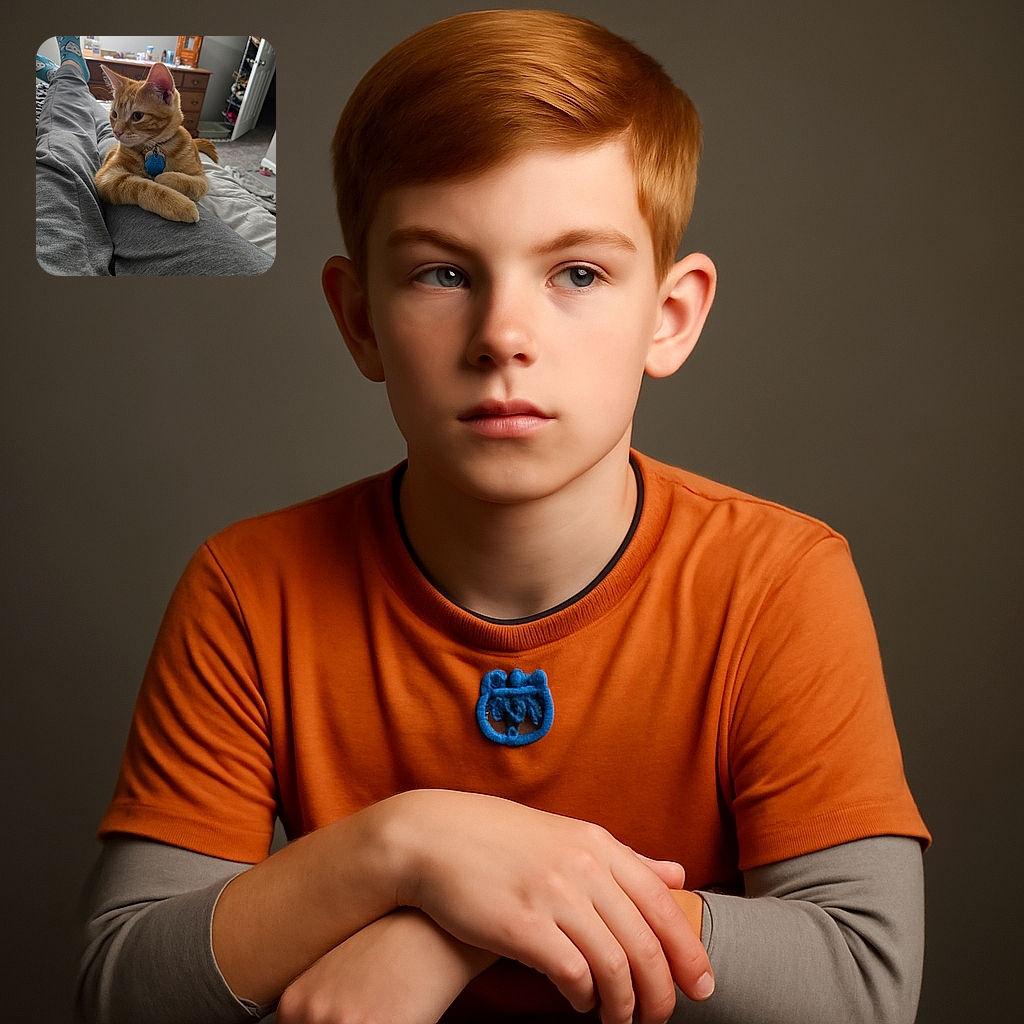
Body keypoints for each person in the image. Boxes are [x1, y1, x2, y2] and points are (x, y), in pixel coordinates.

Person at [77, 10, 929, 1024]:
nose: (503, 336)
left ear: (671, 315)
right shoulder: (248, 588)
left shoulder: (778, 578)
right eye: (443, 272)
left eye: (577, 272)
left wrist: (460, 918)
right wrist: (408, 847)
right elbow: (123, 988)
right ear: (359, 320)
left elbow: (863, 983)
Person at [35, 36, 272, 276]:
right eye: (115, 114)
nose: (120, 129)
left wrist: (176, 182)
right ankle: (70, 78)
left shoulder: (181, 143)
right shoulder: (123, 132)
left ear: (166, 95)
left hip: (154, 148)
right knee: (102, 128)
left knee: (67, 137)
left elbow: (200, 183)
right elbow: (105, 179)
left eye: (136, 117)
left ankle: (68, 78)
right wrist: (152, 193)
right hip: (132, 148)